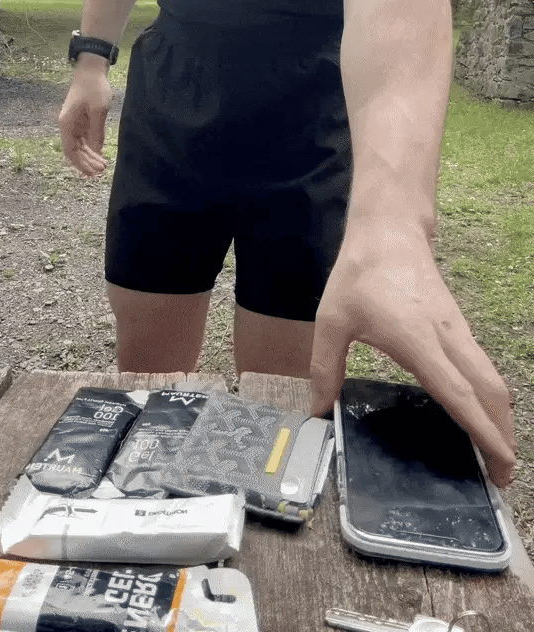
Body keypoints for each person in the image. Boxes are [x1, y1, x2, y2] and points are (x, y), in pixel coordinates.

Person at [59, 0, 517, 487]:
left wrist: (392, 228)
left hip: (310, 114)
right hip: (173, 93)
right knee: (150, 378)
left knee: (281, 401)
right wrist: (92, 57)